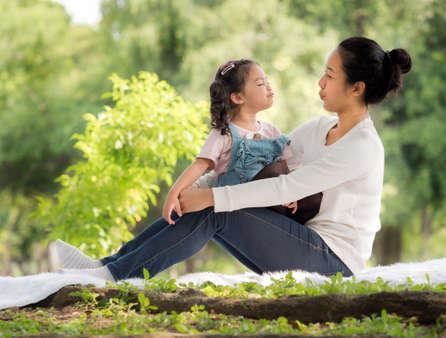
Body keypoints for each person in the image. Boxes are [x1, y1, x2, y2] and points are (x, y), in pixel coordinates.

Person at [56, 37, 412, 282]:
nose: (320, 82)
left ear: (357, 88)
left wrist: (208, 196)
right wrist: (198, 186)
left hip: (334, 263)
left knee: (216, 209)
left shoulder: (362, 145)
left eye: (330, 75)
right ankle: (109, 266)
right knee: (211, 203)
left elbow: (286, 185)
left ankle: (112, 276)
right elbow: (260, 160)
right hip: (303, 241)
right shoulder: (320, 128)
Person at [162, 59, 295, 226]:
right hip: (234, 209)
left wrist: (292, 193)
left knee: (278, 170)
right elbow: (199, 165)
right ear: (238, 97)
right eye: (261, 84)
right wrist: (174, 193)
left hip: (267, 210)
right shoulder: (224, 134)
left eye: (267, 81)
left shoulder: (272, 132)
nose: (269, 87)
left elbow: (286, 166)